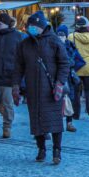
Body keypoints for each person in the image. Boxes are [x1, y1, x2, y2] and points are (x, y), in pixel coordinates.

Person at [16, 11, 70, 164]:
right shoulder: (25, 44)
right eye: (29, 26)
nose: (30, 28)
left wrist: (60, 82)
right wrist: (16, 85)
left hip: (52, 89)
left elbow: (64, 63)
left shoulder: (54, 41)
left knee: (55, 121)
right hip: (33, 89)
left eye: (33, 26)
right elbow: (19, 66)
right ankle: (41, 148)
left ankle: (57, 150)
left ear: (42, 26)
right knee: (37, 120)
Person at [56, 24, 84, 132]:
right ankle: (58, 123)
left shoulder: (70, 46)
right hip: (57, 76)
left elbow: (80, 61)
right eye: (59, 34)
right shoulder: (54, 45)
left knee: (69, 99)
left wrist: (72, 68)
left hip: (68, 77)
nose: (60, 36)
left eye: (62, 34)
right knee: (56, 99)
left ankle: (69, 122)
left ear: (66, 35)